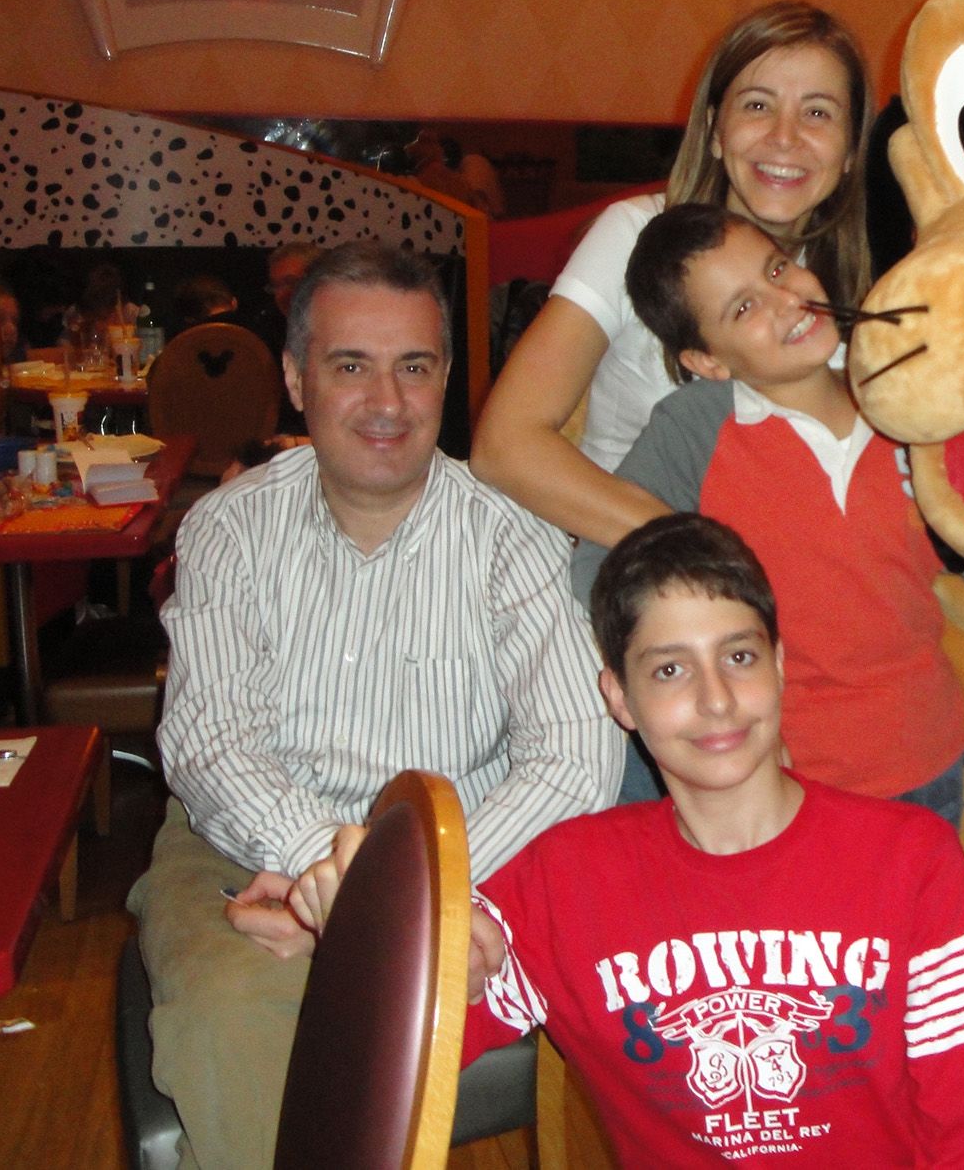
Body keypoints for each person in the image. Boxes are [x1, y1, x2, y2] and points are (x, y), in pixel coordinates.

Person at [292, 513, 964, 1167]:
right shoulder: (564, 879)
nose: (715, 698)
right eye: (671, 668)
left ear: (780, 666)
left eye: (740, 656)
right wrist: (370, 934)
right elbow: (392, 1059)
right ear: (618, 696)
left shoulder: (910, 859)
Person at [127, 241, 623, 1169]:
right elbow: (211, 744)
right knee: (232, 1022)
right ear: (294, 377)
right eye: (351, 365)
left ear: (446, 379)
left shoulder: (512, 533)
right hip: (241, 851)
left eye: (416, 367)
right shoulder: (229, 528)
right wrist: (334, 867)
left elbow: (574, 758)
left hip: (476, 859)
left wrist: (393, 893)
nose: (388, 403)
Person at [569, 204, 964, 818]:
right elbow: (604, 567)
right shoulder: (694, 430)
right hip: (775, 782)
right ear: (707, 361)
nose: (786, 301)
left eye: (778, 269)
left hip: (927, 758)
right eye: (744, 307)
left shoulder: (908, 396)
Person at [471, 0, 873, 550]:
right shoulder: (637, 233)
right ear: (714, 129)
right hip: (634, 574)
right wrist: (702, 554)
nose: (786, 137)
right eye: (758, 105)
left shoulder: (860, 291)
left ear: (851, 148)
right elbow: (505, 445)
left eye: (819, 112)